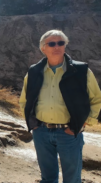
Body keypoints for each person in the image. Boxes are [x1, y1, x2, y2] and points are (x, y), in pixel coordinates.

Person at [19, 29, 101, 183]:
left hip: (69, 133)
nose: (56, 46)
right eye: (52, 43)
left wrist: (83, 123)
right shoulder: (34, 72)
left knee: (72, 179)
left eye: (60, 43)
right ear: (43, 48)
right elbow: (24, 100)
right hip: (41, 132)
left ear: (65, 46)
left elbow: (96, 99)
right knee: (48, 178)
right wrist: (34, 125)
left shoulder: (81, 70)